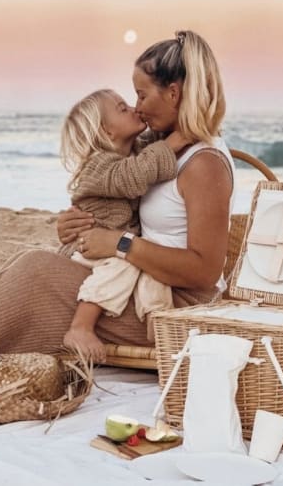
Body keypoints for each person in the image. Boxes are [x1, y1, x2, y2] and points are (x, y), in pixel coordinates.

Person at [0, 30, 235, 366]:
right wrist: (73, 224)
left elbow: (205, 271)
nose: (138, 107)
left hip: (171, 304)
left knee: (35, 274)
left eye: (142, 95)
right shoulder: (158, 149)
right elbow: (114, 185)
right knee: (29, 266)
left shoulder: (204, 164)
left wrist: (121, 244)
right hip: (138, 283)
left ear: (173, 93)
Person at [58, 89, 193, 362]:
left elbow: (150, 148)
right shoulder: (99, 166)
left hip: (116, 244)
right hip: (93, 249)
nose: (133, 108)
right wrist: (175, 143)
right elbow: (133, 176)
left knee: (151, 260)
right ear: (107, 132)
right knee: (125, 262)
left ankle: (157, 318)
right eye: (122, 109)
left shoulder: (135, 150)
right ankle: (81, 326)